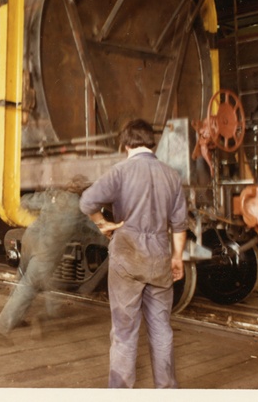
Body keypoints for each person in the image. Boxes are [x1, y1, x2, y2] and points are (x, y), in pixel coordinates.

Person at [79, 119, 187, 388]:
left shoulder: (120, 171)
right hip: (160, 257)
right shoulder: (172, 175)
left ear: (125, 144)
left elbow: (86, 201)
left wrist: (103, 224)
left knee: (125, 332)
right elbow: (180, 225)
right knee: (162, 329)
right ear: (151, 143)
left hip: (127, 256)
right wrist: (177, 258)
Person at [0, 175, 100, 347]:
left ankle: (17, 318)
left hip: (29, 239)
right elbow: (96, 230)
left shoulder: (53, 194)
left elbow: (26, 201)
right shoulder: (81, 207)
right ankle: (0, 331)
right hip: (45, 250)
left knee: (22, 278)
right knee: (28, 288)